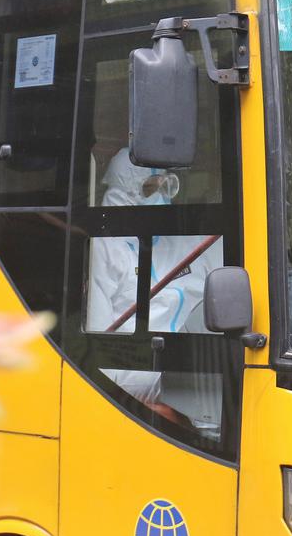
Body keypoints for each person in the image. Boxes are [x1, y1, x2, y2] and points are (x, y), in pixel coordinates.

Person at [86, 148, 223, 404]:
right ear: (124, 192)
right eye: (150, 189)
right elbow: (99, 350)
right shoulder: (104, 249)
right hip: (132, 371)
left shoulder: (186, 241)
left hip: (190, 362)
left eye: (166, 187)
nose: (161, 197)